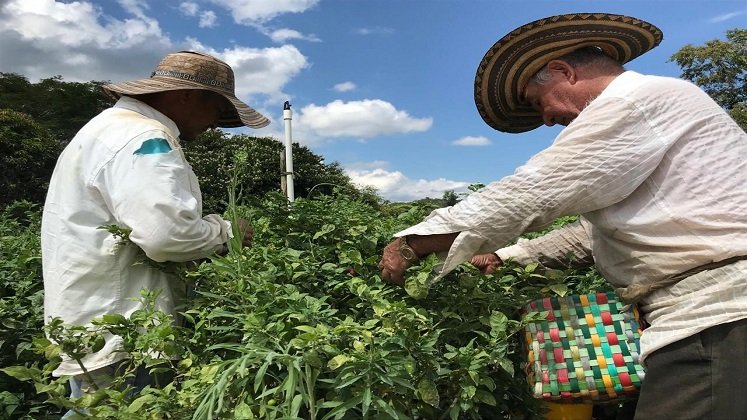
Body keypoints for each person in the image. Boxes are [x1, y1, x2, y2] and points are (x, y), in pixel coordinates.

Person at [378, 13, 747, 419]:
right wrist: (505, 257)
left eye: (540, 103)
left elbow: (532, 191)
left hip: (720, 318)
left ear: (561, 71)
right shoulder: (650, 109)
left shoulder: (634, 102)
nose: (548, 119)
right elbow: (591, 235)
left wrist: (413, 242)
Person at [41, 51, 269, 408]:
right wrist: (226, 231)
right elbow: (168, 237)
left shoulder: (107, 129)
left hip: (93, 316)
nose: (213, 123)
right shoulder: (145, 138)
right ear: (186, 95)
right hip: (124, 327)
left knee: (97, 409)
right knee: (122, 408)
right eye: (216, 109)